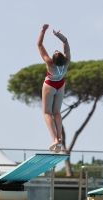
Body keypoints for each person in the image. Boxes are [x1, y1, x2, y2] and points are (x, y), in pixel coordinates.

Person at [37, 24, 70, 153]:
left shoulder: (49, 63)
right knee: (57, 112)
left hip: (50, 85)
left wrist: (43, 31)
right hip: (60, 85)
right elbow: (66, 42)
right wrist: (58, 35)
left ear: (53, 59)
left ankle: (54, 138)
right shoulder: (67, 61)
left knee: (47, 113)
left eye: (56, 52)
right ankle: (59, 138)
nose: (56, 50)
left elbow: (40, 45)